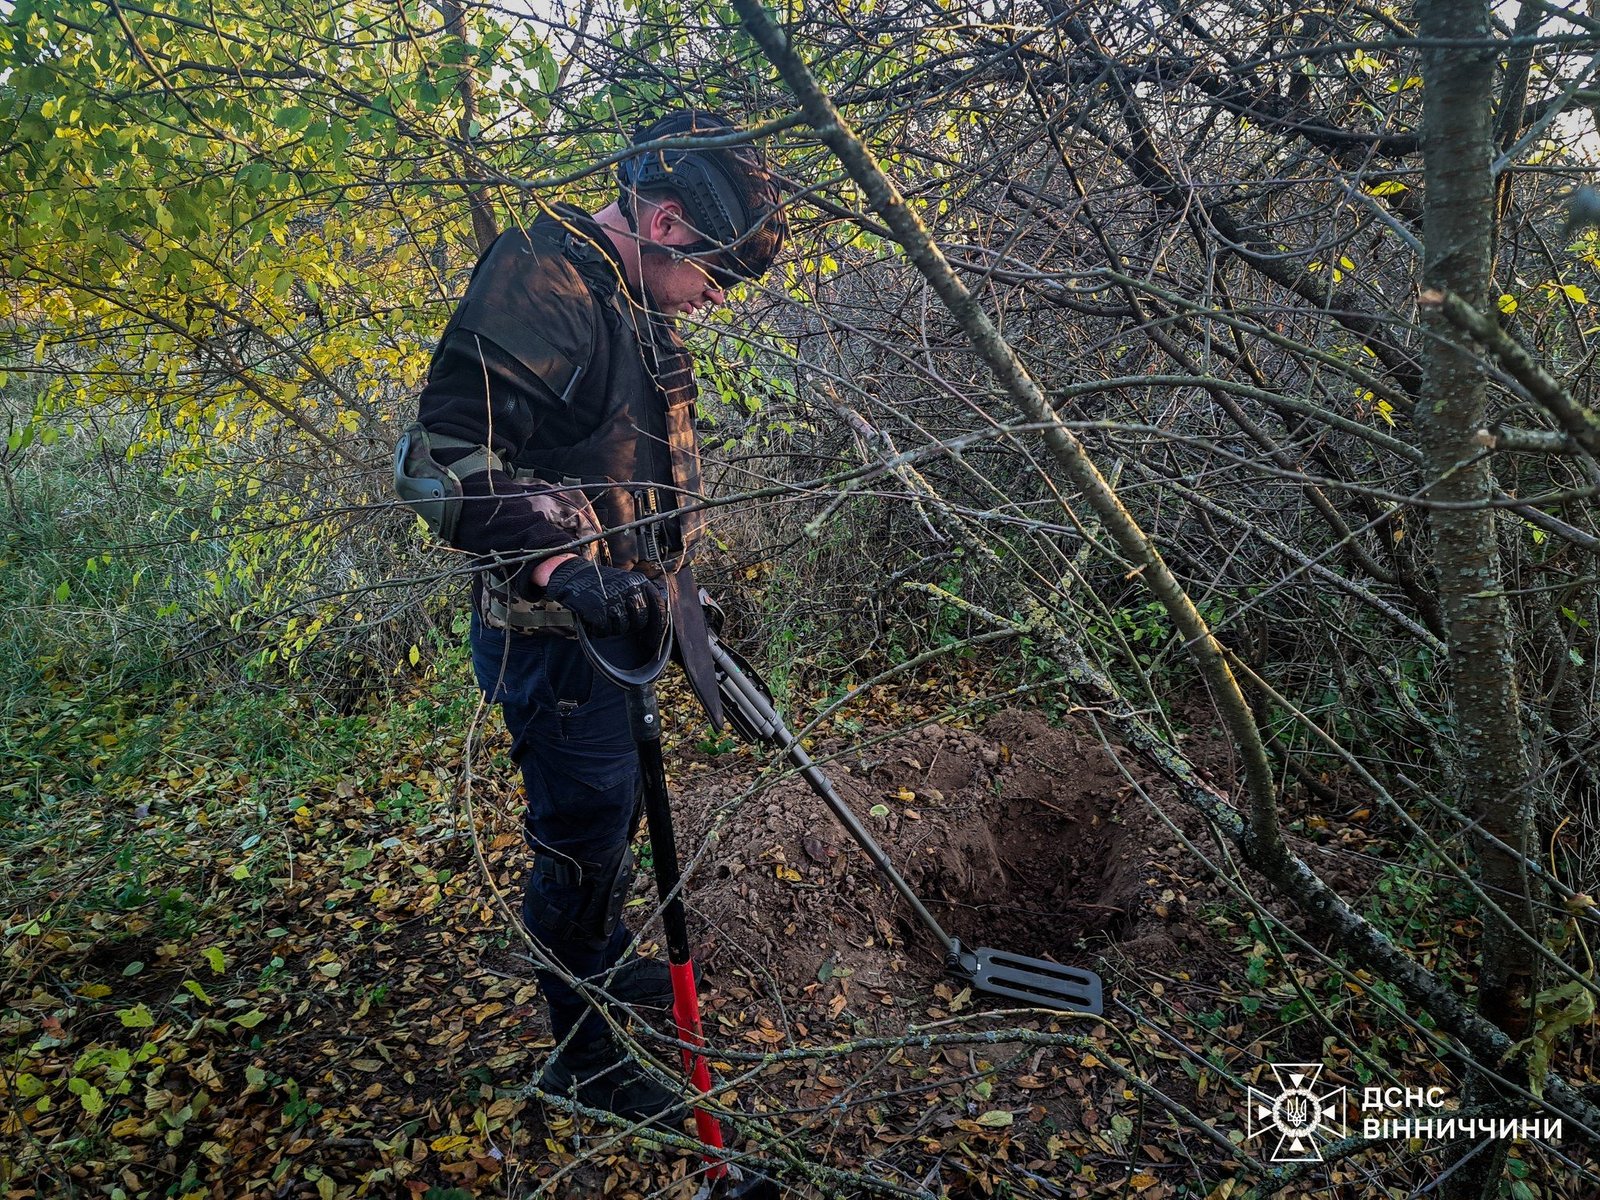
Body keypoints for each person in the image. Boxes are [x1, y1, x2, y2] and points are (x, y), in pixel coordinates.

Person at [393, 110, 785, 1122]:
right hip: (561, 650)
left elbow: (628, 464)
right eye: (715, 275)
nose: (713, 300)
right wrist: (563, 570)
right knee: (578, 841)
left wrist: (679, 612)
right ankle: (583, 1060)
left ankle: (603, 963)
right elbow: (436, 463)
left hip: (627, 628)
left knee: (609, 825)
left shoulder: (625, 294)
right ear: (661, 225)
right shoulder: (542, 282)